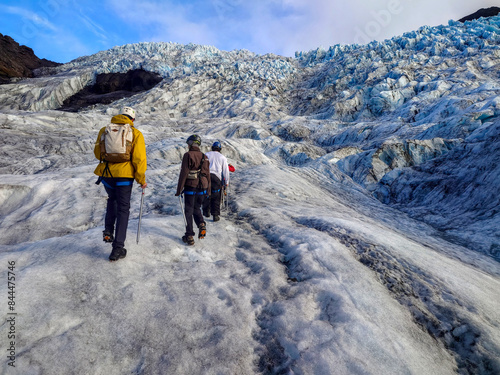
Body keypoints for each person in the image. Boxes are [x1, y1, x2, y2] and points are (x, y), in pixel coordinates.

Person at [94, 106, 147, 261]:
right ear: (132, 119)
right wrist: (141, 180)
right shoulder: (135, 133)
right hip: (125, 176)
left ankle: (108, 231)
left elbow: (98, 154)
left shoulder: (105, 130)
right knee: (123, 209)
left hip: (107, 174)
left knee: (112, 200)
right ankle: (118, 248)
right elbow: (139, 159)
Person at [175, 134, 211, 245]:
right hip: (203, 186)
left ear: (191, 143)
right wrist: (208, 189)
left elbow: (184, 172)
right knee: (196, 208)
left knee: (188, 210)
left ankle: (189, 235)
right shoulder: (204, 156)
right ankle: (201, 223)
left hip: (191, 185)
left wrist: (179, 189)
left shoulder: (188, 155)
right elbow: (208, 174)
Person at [203, 141, 230, 222]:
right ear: (220, 149)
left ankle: (206, 212)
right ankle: (215, 215)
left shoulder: (207, 154)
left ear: (212, 148)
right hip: (217, 178)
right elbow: (226, 171)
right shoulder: (222, 157)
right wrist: (226, 182)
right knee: (216, 197)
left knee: (206, 194)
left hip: (206, 177)